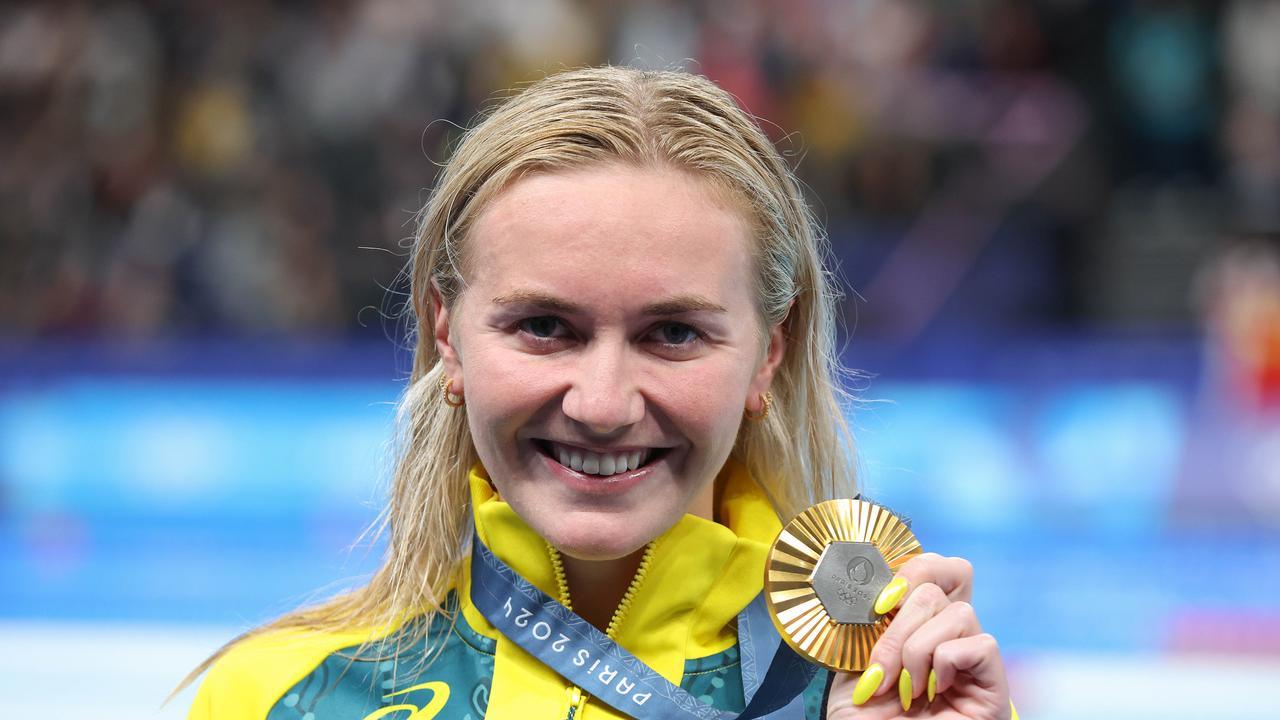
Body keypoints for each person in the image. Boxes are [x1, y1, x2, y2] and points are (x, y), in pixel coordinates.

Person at [181, 66, 1012, 720]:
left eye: (673, 334)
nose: (603, 403)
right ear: (447, 333)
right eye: (544, 326)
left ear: (770, 354)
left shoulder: (890, 695)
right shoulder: (278, 698)